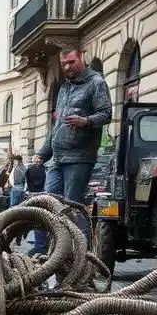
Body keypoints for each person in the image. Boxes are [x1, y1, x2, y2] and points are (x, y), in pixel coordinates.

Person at [30, 47, 112, 254]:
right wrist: (42, 153)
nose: (67, 67)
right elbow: (56, 127)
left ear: (81, 58)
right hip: (57, 158)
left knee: (71, 207)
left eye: (71, 62)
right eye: (64, 63)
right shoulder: (64, 88)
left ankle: (80, 256)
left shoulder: (96, 83)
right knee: (47, 203)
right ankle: (42, 249)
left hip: (79, 158)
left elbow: (106, 114)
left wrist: (85, 121)